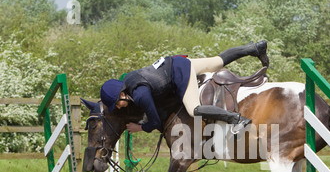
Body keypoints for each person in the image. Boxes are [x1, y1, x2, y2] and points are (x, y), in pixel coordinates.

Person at [99, 40, 269, 136]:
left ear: (122, 94)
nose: (119, 107)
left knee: (194, 110)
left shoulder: (140, 95)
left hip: (181, 73)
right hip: (178, 61)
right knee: (218, 61)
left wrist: (141, 128)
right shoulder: (129, 79)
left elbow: (156, 121)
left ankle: (237, 119)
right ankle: (254, 48)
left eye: (117, 103)